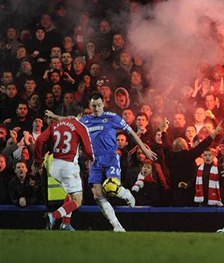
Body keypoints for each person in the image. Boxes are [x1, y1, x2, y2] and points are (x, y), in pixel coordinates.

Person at [46, 92, 157, 232]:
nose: (96, 108)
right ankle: (117, 226)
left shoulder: (112, 118)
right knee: (98, 195)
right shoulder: (85, 120)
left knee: (112, 188)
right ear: (90, 106)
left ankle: (126, 193)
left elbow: (131, 132)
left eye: (99, 105)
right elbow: (69, 120)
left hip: (110, 158)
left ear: (103, 104)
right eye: (93, 106)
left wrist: (144, 149)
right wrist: (56, 117)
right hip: (95, 161)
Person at [32, 116, 94, 230]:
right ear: (79, 114)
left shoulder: (55, 125)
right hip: (68, 166)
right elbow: (88, 151)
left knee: (70, 194)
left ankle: (65, 224)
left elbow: (40, 140)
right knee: (78, 200)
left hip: (54, 165)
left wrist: (37, 161)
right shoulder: (79, 126)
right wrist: (94, 159)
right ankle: (54, 216)